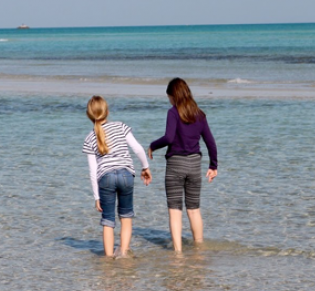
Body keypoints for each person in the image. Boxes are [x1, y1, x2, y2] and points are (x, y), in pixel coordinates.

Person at [148, 78, 218, 253]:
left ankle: (178, 253)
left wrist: (153, 145)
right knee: (194, 209)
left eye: (170, 97)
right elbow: (211, 142)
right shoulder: (199, 114)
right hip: (195, 164)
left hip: (175, 164)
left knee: (175, 210)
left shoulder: (173, 112)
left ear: (174, 96)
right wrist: (213, 165)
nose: (169, 100)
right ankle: (199, 248)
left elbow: (169, 138)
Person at [83, 95, 152, 258]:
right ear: (107, 111)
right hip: (126, 174)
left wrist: (96, 196)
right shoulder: (120, 126)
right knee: (126, 216)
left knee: (108, 221)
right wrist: (145, 167)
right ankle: (123, 254)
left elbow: (93, 171)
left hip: (105, 178)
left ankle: (108, 261)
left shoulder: (89, 138)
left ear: (89, 116)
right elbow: (137, 148)